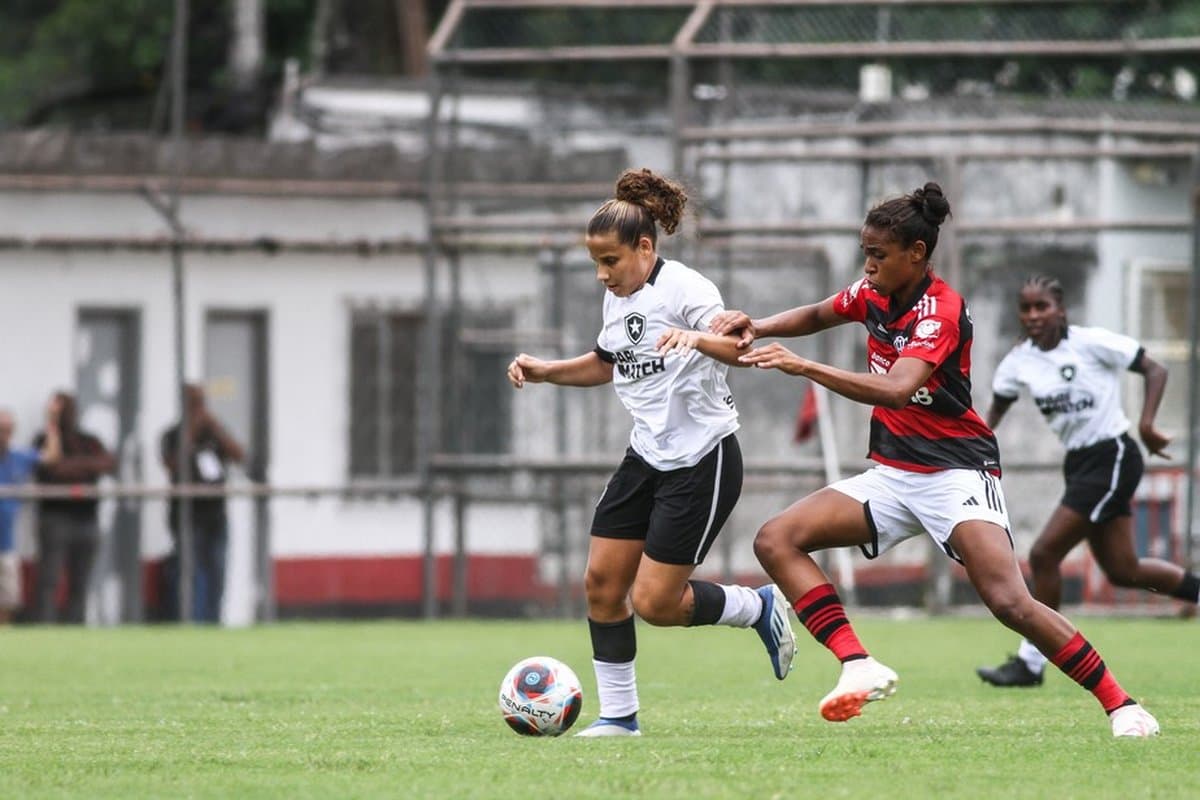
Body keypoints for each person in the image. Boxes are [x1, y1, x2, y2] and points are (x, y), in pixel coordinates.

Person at [662, 182, 1158, 737]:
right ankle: (858, 663)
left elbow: (898, 390)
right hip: (895, 475)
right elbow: (820, 312)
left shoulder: (940, 312)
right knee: (776, 539)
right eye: (865, 253)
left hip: (957, 474)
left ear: (915, 254)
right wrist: (757, 324)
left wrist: (804, 368)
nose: (867, 265)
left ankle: (1123, 705)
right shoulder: (872, 293)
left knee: (1008, 601)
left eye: (878, 254)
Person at [506, 167, 797, 738]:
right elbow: (607, 362)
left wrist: (697, 337)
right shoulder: (619, 298)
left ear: (644, 247)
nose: (601, 274)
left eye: (610, 260)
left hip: (703, 459)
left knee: (657, 604)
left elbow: (742, 349)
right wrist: (547, 371)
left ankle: (756, 607)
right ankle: (619, 717)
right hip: (646, 457)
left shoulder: (687, 290)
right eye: (596, 262)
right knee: (601, 587)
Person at [976, 274, 1199, 687]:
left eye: (1042, 306)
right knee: (1123, 569)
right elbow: (994, 414)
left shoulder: (1090, 343)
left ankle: (1032, 662)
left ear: (1061, 310)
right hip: (1079, 463)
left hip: (1112, 455)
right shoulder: (1019, 362)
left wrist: (1147, 425)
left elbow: (1154, 368)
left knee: (1044, 554)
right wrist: (971, 446)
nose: (1033, 315)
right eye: (1025, 308)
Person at [161, 383, 245, 623]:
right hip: (187, 515)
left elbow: (239, 455)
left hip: (215, 515)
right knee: (189, 572)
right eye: (194, 403)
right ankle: (188, 621)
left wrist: (216, 429)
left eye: (202, 402)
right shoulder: (173, 434)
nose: (200, 408)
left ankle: (213, 621)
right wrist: (191, 432)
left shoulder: (214, 432)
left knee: (217, 571)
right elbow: (171, 465)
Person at [33, 392, 115, 624]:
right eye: (61, 409)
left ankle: (75, 628)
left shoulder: (89, 440)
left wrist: (71, 466)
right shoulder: (43, 440)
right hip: (55, 518)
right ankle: (44, 628)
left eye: (69, 408)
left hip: (87, 519)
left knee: (81, 582)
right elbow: (52, 468)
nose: (67, 414)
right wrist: (86, 468)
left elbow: (108, 463)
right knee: (49, 579)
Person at [0, 400, 62, 623]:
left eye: (8, 430)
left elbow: (52, 458)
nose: (4, 435)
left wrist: (52, 423)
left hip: (6, 544)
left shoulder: (19, 458)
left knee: (7, 601)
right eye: (1, 430)